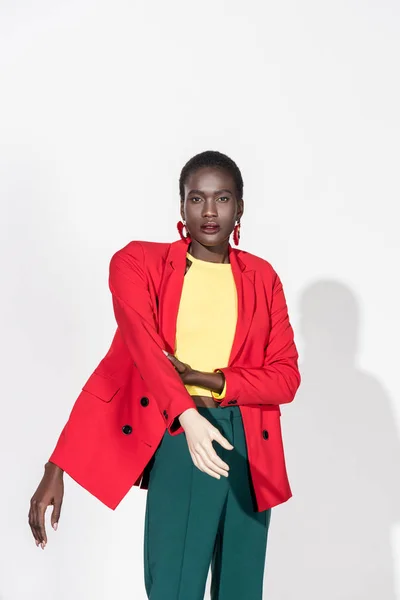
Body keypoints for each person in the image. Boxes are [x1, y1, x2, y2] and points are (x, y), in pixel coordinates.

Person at [28, 150, 301, 599]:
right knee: (174, 587)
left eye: (223, 199)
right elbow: (138, 353)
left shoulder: (262, 277)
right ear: (181, 207)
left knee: (243, 589)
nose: (210, 212)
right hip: (179, 435)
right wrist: (58, 466)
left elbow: (286, 378)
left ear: (240, 209)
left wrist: (209, 378)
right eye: (197, 199)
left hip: (251, 440)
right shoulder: (140, 264)